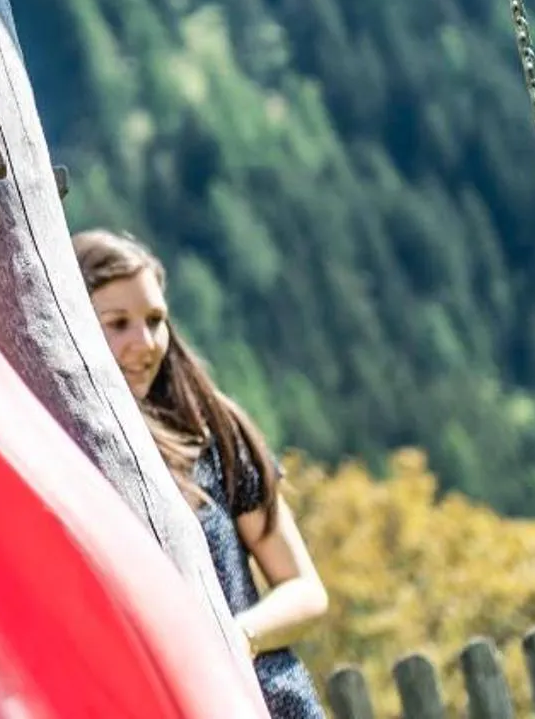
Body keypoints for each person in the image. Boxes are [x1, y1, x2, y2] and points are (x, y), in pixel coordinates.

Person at [74, 230, 330, 718]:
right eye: (118, 323)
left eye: (155, 320)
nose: (145, 343)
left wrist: (239, 636)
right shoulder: (62, 455)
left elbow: (305, 589)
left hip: (272, 704)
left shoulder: (212, 431)